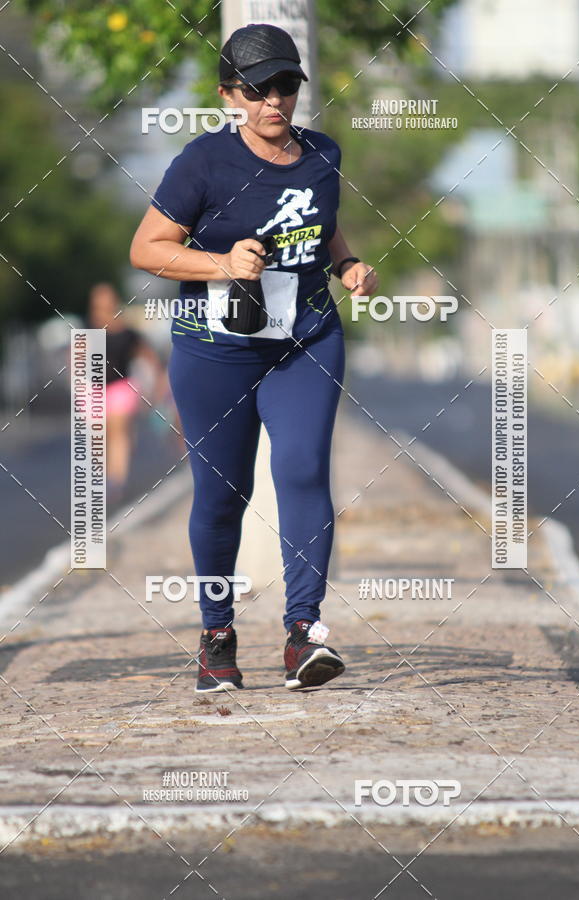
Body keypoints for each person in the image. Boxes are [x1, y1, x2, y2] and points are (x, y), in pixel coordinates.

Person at [130, 23, 378, 693]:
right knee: (222, 495)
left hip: (306, 339)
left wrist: (347, 264)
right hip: (217, 350)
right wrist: (220, 263)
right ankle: (217, 636)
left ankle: (304, 634)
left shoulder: (323, 152)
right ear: (228, 96)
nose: (274, 100)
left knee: (303, 470)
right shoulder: (203, 162)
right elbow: (146, 249)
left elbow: (322, 221)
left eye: (286, 85)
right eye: (257, 89)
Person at [86, 283, 166, 503]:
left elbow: (148, 354)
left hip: (121, 387)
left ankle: (116, 480)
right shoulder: (87, 327)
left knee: (118, 432)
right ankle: (103, 474)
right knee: (98, 436)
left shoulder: (127, 331)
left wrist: (158, 381)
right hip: (94, 389)